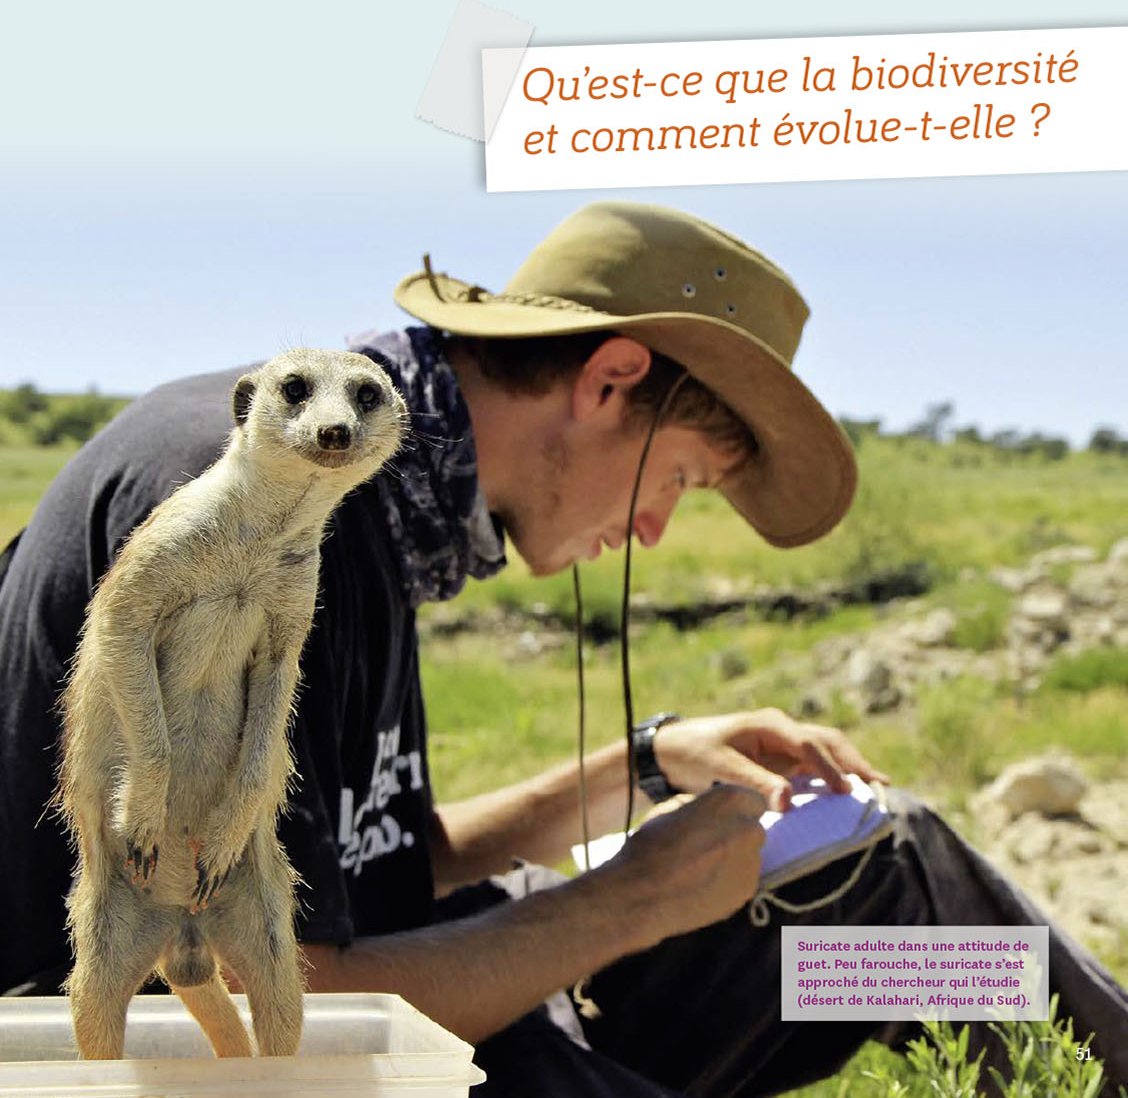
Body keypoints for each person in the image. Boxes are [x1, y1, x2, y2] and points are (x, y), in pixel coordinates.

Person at [0, 200, 1124, 1095]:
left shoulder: (389, 512)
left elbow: (373, 867)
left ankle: (1084, 1072)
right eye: (678, 479)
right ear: (609, 381)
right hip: (168, 1058)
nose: (654, 530)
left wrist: (640, 767)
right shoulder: (269, 510)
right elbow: (266, 1009)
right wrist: (629, 900)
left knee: (880, 885)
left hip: (386, 1008)